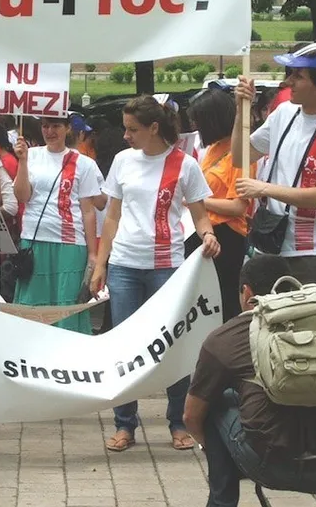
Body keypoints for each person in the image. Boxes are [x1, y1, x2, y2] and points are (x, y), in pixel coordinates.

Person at [90, 95, 220, 453]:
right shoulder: (122, 161)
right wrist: (101, 264)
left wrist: (208, 235)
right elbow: (112, 216)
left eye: (132, 129)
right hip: (124, 265)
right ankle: (124, 424)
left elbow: (200, 214)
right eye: (125, 128)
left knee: (172, 345)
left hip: (168, 266)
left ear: (154, 128)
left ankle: (179, 422)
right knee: (124, 347)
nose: (126, 136)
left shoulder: (186, 165)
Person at [184, 255, 316, 507]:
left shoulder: (224, 339)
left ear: (246, 292)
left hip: (269, 463)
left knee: (215, 402)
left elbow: (190, 416)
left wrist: (215, 450)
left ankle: (222, 501)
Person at [233, 41, 316, 301]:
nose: (288, 81)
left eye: (298, 76)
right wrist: (240, 109)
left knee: (313, 335)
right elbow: (239, 156)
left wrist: (264, 188)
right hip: (271, 246)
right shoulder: (284, 114)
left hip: (314, 254)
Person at [13, 115, 102, 334]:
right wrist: (22, 162)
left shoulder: (84, 163)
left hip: (71, 243)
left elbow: (88, 211)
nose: (50, 131)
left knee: (67, 306)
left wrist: (93, 254)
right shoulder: (31, 155)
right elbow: (22, 196)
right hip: (34, 239)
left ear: (67, 128)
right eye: (45, 126)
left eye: (56, 126)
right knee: (32, 305)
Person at [186, 89, 254, 321]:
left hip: (227, 236)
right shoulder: (213, 149)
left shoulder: (239, 154)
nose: (195, 126)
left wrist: (197, 201)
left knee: (223, 300)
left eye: (199, 121)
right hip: (204, 232)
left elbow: (238, 207)